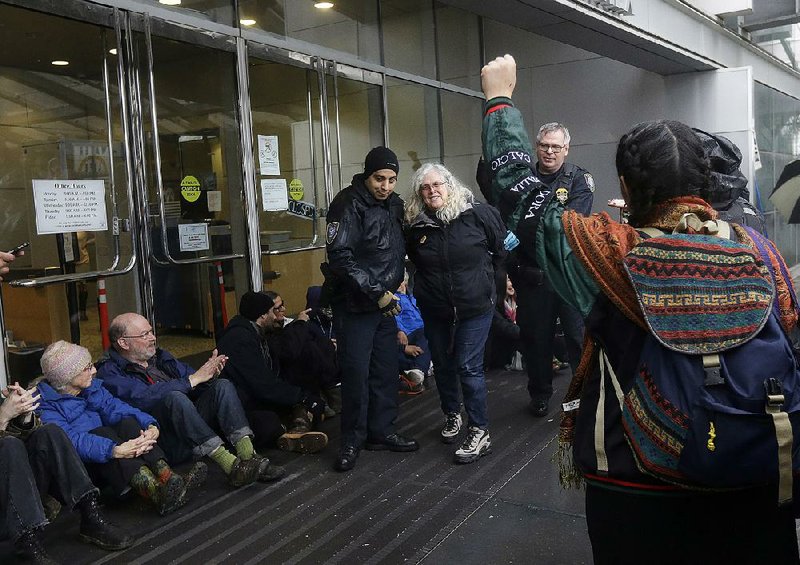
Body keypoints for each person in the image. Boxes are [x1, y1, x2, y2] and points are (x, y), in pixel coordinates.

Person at [481, 53, 799, 565]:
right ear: (703, 184)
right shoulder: (758, 250)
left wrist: (500, 102)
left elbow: (522, 200)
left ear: (626, 189)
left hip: (636, 487)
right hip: (755, 473)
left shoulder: (609, 253)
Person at [96, 313, 283, 487]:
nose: (153, 338)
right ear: (123, 343)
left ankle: (248, 456)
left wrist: (209, 375)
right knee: (174, 397)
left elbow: (193, 381)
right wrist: (193, 380)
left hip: (192, 426)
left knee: (222, 386)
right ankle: (231, 465)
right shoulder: (109, 371)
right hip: (161, 438)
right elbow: (143, 397)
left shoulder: (160, 356)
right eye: (144, 334)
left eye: (152, 332)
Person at [323, 146, 419, 472]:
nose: (386, 186)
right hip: (356, 304)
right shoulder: (347, 203)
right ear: (367, 175)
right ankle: (351, 440)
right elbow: (341, 258)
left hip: (386, 304)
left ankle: (382, 431)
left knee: (384, 370)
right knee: (356, 375)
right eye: (380, 178)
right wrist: (376, 293)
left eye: (392, 179)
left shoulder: (394, 204)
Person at [405, 163, 506, 463]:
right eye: (425, 187)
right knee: (443, 364)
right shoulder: (416, 223)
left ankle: (479, 430)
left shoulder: (477, 214)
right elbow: (414, 260)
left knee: (467, 366)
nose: (432, 191)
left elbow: (501, 251)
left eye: (437, 184)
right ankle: (453, 414)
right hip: (436, 309)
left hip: (474, 306)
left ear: (450, 185)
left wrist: (486, 284)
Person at [37, 341, 205, 516]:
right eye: (87, 368)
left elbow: (117, 408)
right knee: (102, 433)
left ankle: (168, 478)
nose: (94, 370)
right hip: (85, 470)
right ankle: (155, 492)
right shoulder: (45, 406)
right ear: (67, 376)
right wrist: (114, 450)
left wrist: (150, 424)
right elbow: (72, 441)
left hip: (114, 456)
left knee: (128, 423)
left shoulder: (90, 387)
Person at [499, 118, 593, 417]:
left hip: (566, 276)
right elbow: (507, 220)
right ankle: (539, 394)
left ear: (566, 149)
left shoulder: (579, 180)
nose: (549, 152)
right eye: (544, 146)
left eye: (555, 147)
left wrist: (529, 229)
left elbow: (566, 226)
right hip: (533, 276)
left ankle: (583, 396)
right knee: (535, 340)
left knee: (578, 339)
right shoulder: (521, 180)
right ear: (536, 147)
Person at [1, 381, 133, 563]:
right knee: (10, 446)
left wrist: (24, 414)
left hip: (17, 493)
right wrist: (2, 417)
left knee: (49, 432)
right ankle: (26, 543)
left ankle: (89, 515)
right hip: (7, 508)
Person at [216, 291, 328, 454]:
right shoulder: (240, 339)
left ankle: (297, 427)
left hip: (252, 396)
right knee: (269, 422)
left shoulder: (254, 333)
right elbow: (261, 384)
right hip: (238, 405)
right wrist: (300, 396)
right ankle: (291, 431)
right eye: (271, 312)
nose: (275, 317)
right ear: (262, 315)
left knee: (302, 402)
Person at [395, 274, 430, 394]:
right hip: (408, 334)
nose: (399, 285)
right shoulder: (394, 299)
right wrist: (400, 330)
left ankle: (414, 373)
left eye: (401, 282)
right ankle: (420, 369)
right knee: (425, 335)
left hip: (421, 332)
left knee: (428, 335)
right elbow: (395, 318)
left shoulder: (413, 297)